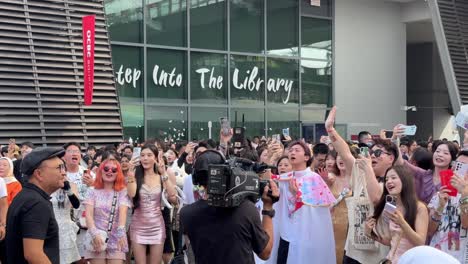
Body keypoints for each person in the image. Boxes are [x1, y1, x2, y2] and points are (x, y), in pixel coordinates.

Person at [180, 150, 279, 264]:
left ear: (195, 178)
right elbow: (265, 253)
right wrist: (268, 208)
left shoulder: (186, 214)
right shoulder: (246, 209)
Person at [275, 141, 336, 264]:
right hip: (286, 235)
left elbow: (317, 214)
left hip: (306, 235)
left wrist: (297, 195)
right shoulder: (284, 178)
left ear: (306, 157)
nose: (292, 152)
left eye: (297, 150)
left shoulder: (314, 179)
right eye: (291, 150)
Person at [6, 147, 66, 264]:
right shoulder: (36, 203)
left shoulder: (27, 196)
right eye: (59, 168)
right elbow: (33, 254)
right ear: (39, 174)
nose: (64, 172)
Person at [365, 165, 428, 263]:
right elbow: (391, 241)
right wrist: (370, 233)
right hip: (392, 259)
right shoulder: (390, 206)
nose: (389, 182)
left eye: (393, 178)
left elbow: (420, 242)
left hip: (411, 260)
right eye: (386, 179)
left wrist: (402, 223)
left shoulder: (419, 208)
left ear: (405, 180)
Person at [127, 144, 178, 264]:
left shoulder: (161, 177)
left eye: (149, 155)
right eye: (142, 155)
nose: (145, 158)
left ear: (155, 158)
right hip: (138, 225)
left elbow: (173, 198)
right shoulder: (135, 176)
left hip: (157, 226)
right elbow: (131, 194)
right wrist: (130, 173)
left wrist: (164, 173)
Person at [84, 158, 131, 263]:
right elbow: (88, 215)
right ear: (101, 171)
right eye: (106, 168)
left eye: (114, 170)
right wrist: (94, 234)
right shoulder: (92, 191)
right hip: (97, 237)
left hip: (116, 237)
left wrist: (121, 231)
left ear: (118, 173)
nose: (109, 171)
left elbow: (123, 213)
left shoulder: (122, 191)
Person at [427, 150, 468, 262]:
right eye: (457, 165)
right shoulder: (441, 193)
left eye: (464, 167)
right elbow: (430, 230)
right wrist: (440, 207)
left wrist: (464, 194)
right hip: (437, 256)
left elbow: (466, 224)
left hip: (460, 258)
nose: (458, 170)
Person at [51, 180, 81, 264]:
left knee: (67, 259)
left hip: (66, 228)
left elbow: (76, 205)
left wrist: (68, 190)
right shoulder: (48, 185)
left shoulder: (71, 185)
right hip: (51, 226)